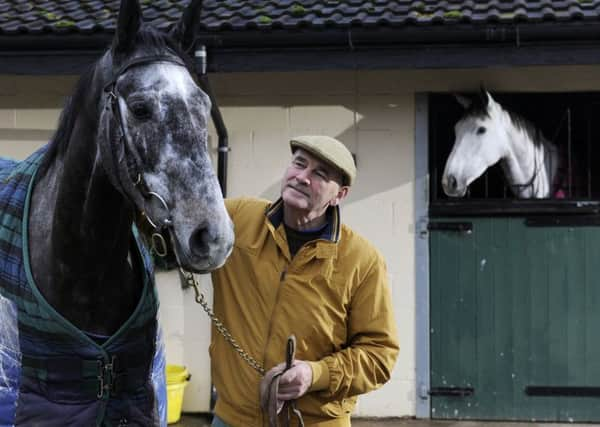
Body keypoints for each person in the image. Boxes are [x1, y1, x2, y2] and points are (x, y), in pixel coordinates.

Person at [210, 135, 399, 426]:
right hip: (233, 419)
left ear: (340, 195)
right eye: (299, 164)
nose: (302, 177)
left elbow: (379, 355)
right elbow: (175, 228)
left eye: (319, 174)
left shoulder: (363, 261)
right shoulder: (237, 218)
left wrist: (316, 374)